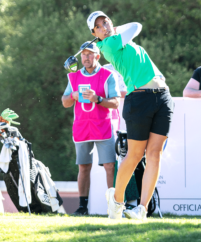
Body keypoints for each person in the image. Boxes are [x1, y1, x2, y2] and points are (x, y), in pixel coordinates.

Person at [87, 10, 174, 220]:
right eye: (98, 26)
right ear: (95, 33)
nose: (104, 26)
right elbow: (136, 26)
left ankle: (142, 209)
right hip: (139, 100)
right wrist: (113, 31)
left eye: (105, 22)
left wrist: (114, 29)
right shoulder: (107, 45)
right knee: (135, 155)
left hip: (162, 97)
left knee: (155, 155)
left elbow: (135, 31)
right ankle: (117, 201)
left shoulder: (125, 43)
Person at [61, 42, 120, 215]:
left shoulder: (108, 75)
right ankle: (82, 207)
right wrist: (73, 95)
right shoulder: (74, 77)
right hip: (82, 127)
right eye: (84, 55)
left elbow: (116, 102)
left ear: (97, 56)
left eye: (90, 54)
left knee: (109, 166)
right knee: (83, 167)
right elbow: (65, 102)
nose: (86, 57)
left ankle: (113, 207)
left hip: (103, 126)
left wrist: (98, 99)